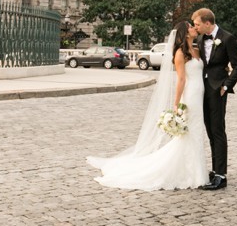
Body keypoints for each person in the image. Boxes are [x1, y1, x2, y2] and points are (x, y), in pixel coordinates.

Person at [87, 20, 207, 190]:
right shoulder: (181, 53)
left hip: (199, 94)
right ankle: (191, 173)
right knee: (189, 133)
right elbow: (181, 79)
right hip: (190, 96)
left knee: (196, 132)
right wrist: (176, 104)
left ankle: (195, 171)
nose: (195, 28)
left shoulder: (196, 50)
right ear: (185, 33)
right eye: (191, 27)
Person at [191, 7, 237, 191]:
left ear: (208, 23)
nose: (195, 27)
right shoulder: (199, 38)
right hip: (201, 90)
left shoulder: (227, 38)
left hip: (218, 90)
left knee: (218, 130)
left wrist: (226, 86)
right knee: (209, 129)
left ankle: (221, 176)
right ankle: (215, 170)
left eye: (197, 24)